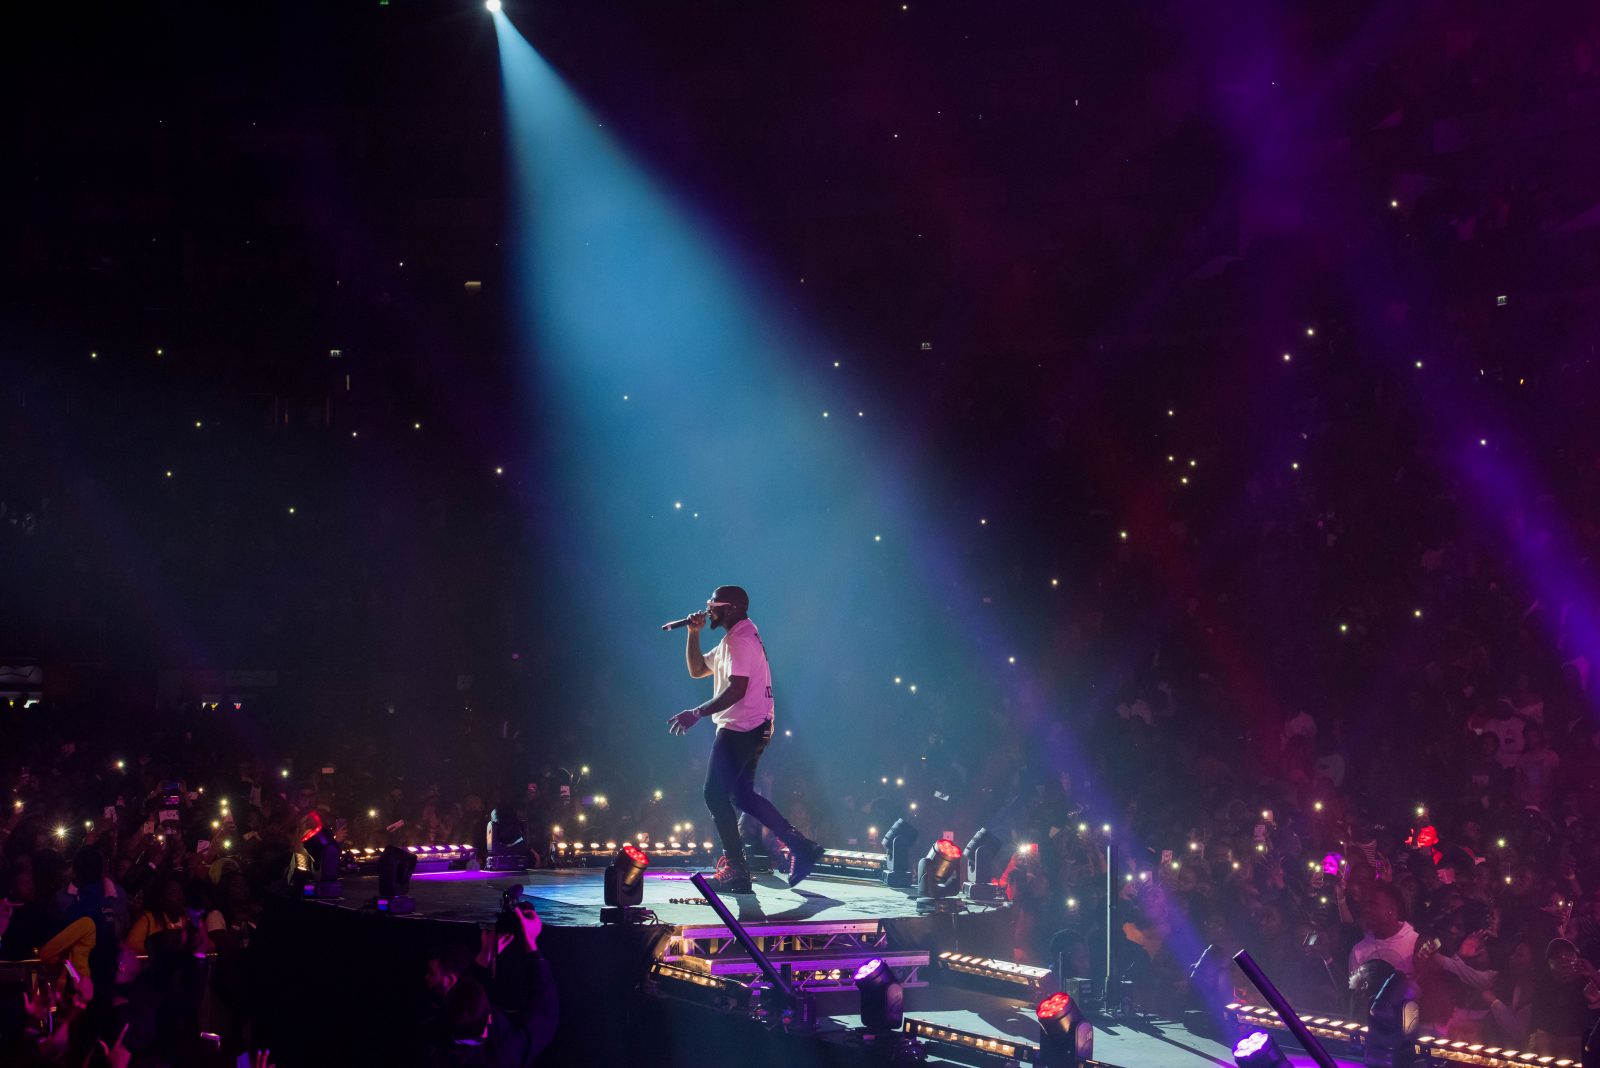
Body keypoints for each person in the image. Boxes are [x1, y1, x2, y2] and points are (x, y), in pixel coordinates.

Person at [667, 585, 823, 894]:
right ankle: (802, 847)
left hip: (741, 727)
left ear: (734, 608)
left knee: (714, 794)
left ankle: (737, 869)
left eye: (715, 605)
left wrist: (696, 713)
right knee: (741, 796)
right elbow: (697, 669)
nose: (709, 609)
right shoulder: (733, 638)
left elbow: (738, 689)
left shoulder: (740, 640)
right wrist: (694, 633)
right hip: (751, 726)